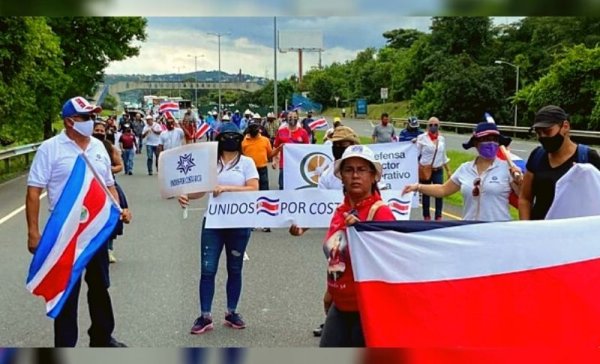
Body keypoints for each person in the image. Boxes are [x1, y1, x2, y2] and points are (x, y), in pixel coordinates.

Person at [26, 96, 131, 347]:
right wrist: (33, 232)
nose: (91, 121)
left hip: (94, 229)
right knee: (67, 291)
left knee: (100, 286)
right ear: (69, 121)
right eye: (85, 117)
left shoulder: (97, 147)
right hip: (65, 231)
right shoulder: (50, 149)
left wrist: (121, 209)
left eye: (92, 116)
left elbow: (108, 186)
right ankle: (65, 345)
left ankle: (102, 337)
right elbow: (33, 191)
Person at [289, 145, 395, 347]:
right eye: (349, 170)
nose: (355, 175)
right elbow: (336, 255)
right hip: (340, 304)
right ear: (341, 177)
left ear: (373, 177)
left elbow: (392, 262)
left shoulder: (381, 214)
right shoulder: (341, 211)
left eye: (362, 170)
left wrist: (365, 232)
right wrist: (331, 291)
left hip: (367, 309)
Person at [178, 122, 259, 334]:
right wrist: (187, 195)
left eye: (233, 135)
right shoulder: (210, 164)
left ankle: (232, 311)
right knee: (207, 270)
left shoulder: (247, 163)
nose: (229, 140)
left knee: (235, 268)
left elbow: (253, 188)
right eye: (225, 136)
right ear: (218, 139)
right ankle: (205, 316)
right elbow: (201, 190)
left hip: (239, 222)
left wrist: (226, 188)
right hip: (213, 223)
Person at [403, 122, 521, 221]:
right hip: (470, 231)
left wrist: (520, 182)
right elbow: (443, 190)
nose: (491, 143)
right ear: (476, 143)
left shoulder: (508, 169)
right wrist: (417, 187)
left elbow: (524, 197)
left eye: (494, 139)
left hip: (498, 232)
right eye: (485, 139)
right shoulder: (465, 169)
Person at [519, 105, 600, 220]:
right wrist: (525, 227)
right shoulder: (537, 156)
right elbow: (525, 198)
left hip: (572, 232)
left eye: (547, 131)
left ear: (565, 126)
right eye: (538, 133)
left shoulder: (587, 158)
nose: (542, 137)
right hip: (539, 232)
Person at [93, 121, 127, 264]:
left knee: (116, 213)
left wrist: (107, 169)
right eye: (97, 130)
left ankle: (109, 249)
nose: (99, 132)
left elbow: (120, 166)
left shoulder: (110, 147)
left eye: (102, 130)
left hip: (108, 185)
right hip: (91, 187)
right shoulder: (84, 147)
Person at [242, 122, 282, 232]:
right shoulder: (244, 141)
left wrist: (278, 149)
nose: (256, 133)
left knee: (264, 194)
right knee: (251, 195)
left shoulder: (265, 140)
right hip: (249, 171)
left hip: (262, 168)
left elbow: (269, 154)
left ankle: (265, 222)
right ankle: (252, 222)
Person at [416, 117, 451, 220]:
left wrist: (448, 170)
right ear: (427, 126)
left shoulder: (442, 139)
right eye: (431, 125)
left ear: (439, 125)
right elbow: (415, 154)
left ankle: (438, 216)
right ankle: (426, 215)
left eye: (435, 125)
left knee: (440, 192)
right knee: (426, 192)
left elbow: (444, 156)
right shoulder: (421, 138)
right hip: (425, 170)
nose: (433, 127)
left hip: (438, 169)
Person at [273, 111, 310, 190]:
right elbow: (275, 147)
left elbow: (308, 149)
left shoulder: (303, 132)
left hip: (299, 165)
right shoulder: (281, 132)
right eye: (290, 117)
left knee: (298, 187)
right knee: (283, 186)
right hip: (284, 165)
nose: (292, 119)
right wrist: (274, 160)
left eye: (294, 117)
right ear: (286, 118)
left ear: (298, 119)